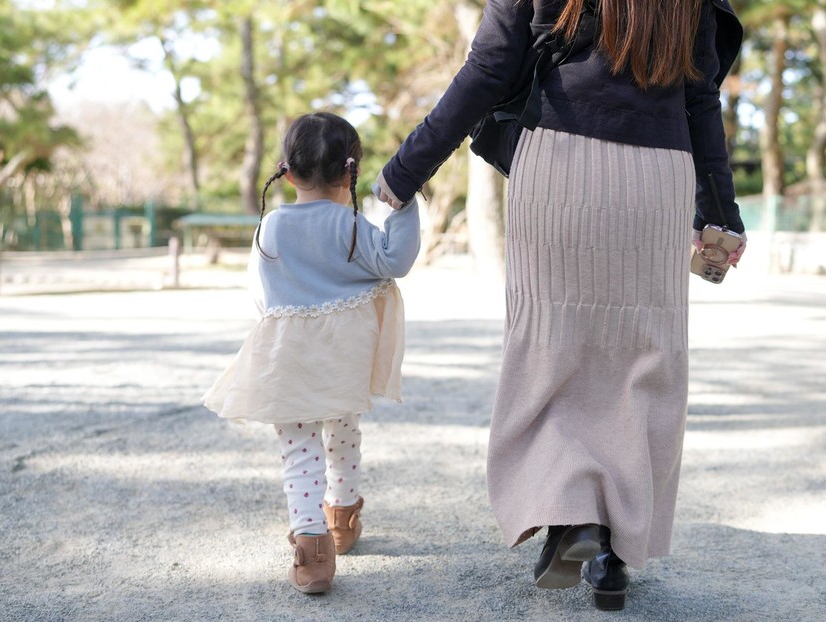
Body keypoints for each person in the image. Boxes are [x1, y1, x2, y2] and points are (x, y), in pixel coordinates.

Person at [375, 0, 745, 611]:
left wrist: (405, 169)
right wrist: (721, 216)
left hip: (558, 170)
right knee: (643, 361)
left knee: (553, 353)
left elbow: (489, 69)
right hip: (659, 181)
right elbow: (700, 99)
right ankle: (613, 553)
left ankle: (573, 517)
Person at [203, 111, 421, 594]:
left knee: (299, 453)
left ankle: (313, 552)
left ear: (287, 168)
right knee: (343, 439)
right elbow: (395, 261)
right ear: (351, 171)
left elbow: (259, 295)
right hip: (343, 362)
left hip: (288, 362)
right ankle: (342, 521)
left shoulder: (272, 226)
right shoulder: (351, 227)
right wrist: (403, 206)